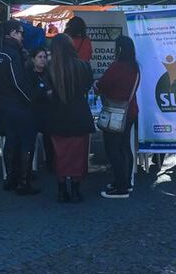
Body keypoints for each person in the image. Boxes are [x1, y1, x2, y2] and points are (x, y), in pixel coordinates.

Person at [0, 20, 41, 195]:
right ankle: (23, 181)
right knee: (27, 142)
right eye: (21, 32)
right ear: (12, 33)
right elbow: (18, 83)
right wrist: (31, 100)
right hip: (18, 105)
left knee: (11, 142)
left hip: (5, 105)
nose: (23, 36)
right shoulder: (11, 54)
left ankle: (11, 179)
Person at [47, 33, 95, 203]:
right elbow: (88, 86)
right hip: (79, 114)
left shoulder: (50, 68)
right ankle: (75, 190)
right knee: (78, 154)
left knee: (60, 154)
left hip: (57, 116)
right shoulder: (83, 66)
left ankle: (61, 190)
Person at [95, 35, 140, 199]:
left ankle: (120, 186)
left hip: (116, 113)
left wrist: (96, 85)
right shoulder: (135, 67)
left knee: (113, 149)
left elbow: (103, 84)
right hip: (130, 111)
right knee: (125, 148)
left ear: (119, 49)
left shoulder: (117, 66)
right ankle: (125, 183)